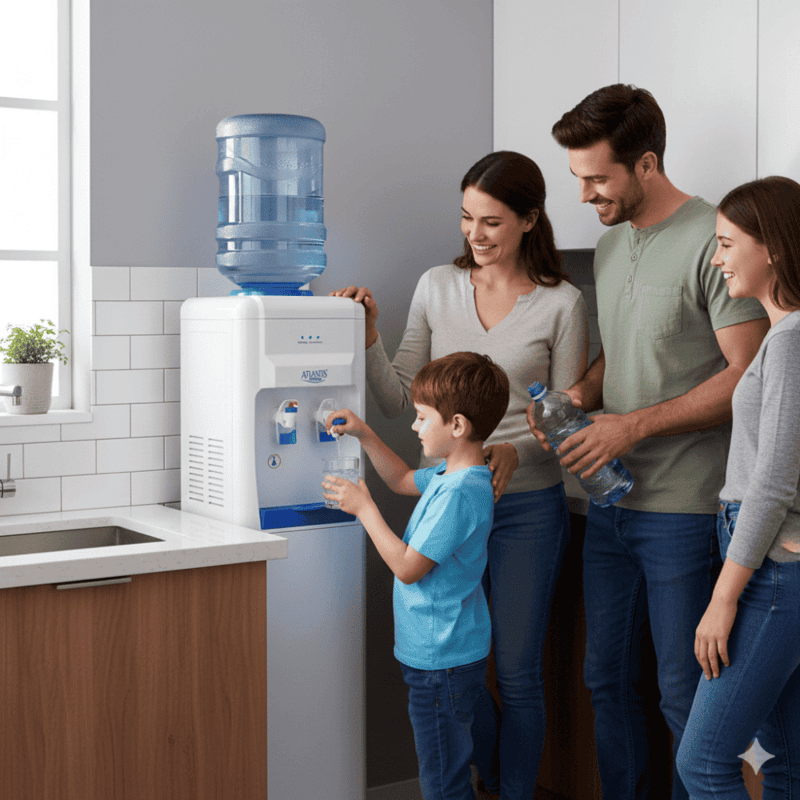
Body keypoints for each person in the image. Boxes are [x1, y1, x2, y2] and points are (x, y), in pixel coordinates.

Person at [535, 84, 770, 800]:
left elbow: (746, 376)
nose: (584, 195)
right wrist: (582, 398)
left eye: (597, 178)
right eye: (577, 178)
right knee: (606, 681)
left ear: (646, 163)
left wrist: (631, 426)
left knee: (681, 693)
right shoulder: (611, 246)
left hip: (686, 509)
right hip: (611, 507)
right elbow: (626, 349)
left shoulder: (713, 239)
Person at [331, 150, 589, 799]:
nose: (476, 234)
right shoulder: (436, 287)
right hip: (441, 496)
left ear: (530, 220)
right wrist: (369, 335)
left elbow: (562, 421)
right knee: (456, 672)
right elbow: (400, 401)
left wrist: (515, 452)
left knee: (518, 673)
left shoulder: (562, 304)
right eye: (467, 217)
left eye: (492, 221)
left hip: (526, 508)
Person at [321, 351, 509, 800]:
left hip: (439, 658)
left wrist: (364, 510)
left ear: (457, 425)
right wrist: (365, 434)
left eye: (423, 417)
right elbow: (402, 478)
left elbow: (407, 568)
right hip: (456, 649)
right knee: (465, 745)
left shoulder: (459, 494)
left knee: (443, 781)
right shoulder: (452, 475)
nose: (414, 425)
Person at [675, 177, 800, 799]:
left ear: (771, 246)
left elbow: (773, 482)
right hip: (774, 563)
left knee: (703, 763)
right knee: (790, 761)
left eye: (726, 243)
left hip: (769, 572)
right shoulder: (786, 335)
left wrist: (723, 599)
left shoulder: (791, 341)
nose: (717, 258)